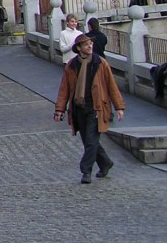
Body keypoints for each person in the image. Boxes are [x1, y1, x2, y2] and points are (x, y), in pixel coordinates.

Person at [54, 34, 126, 184]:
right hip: (78, 108)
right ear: (79, 48)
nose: (90, 46)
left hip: (96, 107)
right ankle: (105, 162)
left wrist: (119, 107)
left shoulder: (100, 63)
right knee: (88, 141)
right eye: (86, 45)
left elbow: (111, 85)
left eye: (90, 44)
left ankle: (86, 171)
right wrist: (59, 110)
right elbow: (64, 89)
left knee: (92, 140)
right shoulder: (72, 65)